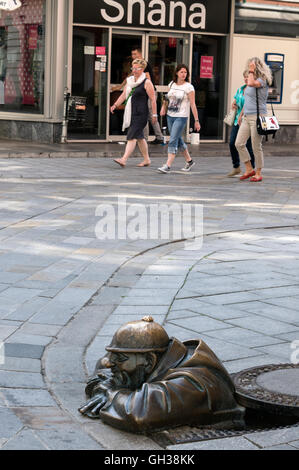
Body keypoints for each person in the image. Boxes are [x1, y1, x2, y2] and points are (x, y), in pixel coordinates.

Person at [79, 316, 245, 433]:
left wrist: (108, 392)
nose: (109, 362)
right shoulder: (159, 361)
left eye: (120, 358)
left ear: (150, 361)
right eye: (112, 355)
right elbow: (102, 366)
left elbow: (139, 413)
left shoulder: (189, 383)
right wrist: (109, 388)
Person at [110, 58, 157, 168]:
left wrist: (154, 114)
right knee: (140, 137)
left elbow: (153, 99)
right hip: (131, 112)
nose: (134, 70)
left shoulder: (147, 82)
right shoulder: (130, 80)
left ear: (142, 69)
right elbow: (123, 95)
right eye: (133, 68)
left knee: (131, 136)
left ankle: (124, 159)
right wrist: (115, 105)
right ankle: (147, 160)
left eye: (137, 68)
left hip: (141, 113)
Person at [157, 64, 200, 174]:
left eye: (185, 72)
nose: (183, 74)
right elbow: (167, 98)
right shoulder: (171, 84)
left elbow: (193, 104)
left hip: (181, 117)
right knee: (178, 139)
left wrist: (196, 120)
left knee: (172, 140)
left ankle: (168, 165)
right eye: (181, 72)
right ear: (176, 73)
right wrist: (163, 108)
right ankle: (189, 161)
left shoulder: (189, 87)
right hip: (170, 115)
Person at [235, 57, 272, 182]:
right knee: (239, 143)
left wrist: (251, 71)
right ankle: (249, 168)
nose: (250, 69)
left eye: (252, 66)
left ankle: (258, 172)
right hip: (246, 117)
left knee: (256, 146)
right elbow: (248, 101)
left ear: (258, 67)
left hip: (258, 117)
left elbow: (251, 83)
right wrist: (240, 115)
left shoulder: (263, 80)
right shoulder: (250, 81)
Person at [131, 46, 164, 144]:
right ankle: (159, 137)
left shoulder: (143, 65)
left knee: (146, 115)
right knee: (150, 116)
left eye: (135, 54)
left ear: (140, 54)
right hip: (147, 93)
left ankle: (144, 138)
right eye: (132, 54)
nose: (133, 56)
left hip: (148, 93)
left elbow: (148, 78)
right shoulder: (137, 66)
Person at [227, 72, 255, 177]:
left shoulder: (252, 90)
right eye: (245, 77)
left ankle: (251, 168)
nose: (246, 79)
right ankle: (236, 167)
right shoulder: (240, 89)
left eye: (248, 77)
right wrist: (233, 104)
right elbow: (235, 101)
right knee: (232, 143)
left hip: (247, 120)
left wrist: (240, 116)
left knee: (248, 146)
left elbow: (247, 105)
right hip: (237, 121)